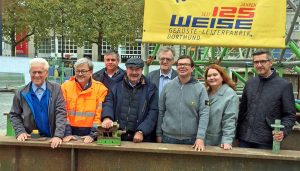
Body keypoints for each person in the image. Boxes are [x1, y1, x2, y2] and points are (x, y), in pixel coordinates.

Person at [237, 49, 296, 149]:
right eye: (256, 62)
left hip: (267, 140)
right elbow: (242, 111)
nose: (259, 65)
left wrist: (283, 131)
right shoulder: (250, 83)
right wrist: (236, 133)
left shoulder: (284, 85)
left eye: (263, 61)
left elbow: (289, 115)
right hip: (244, 138)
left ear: (271, 62)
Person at [9, 58, 66, 149]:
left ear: (46, 73)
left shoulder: (56, 89)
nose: (36, 75)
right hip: (30, 140)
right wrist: (20, 132)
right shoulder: (21, 92)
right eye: (33, 72)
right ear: (29, 73)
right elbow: (14, 114)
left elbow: (61, 113)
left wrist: (58, 135)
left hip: (52, 139)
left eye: (40, 72)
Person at [156, 55, 210, 151]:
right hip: (169, 138)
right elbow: (161, 111)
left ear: (192, 68)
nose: (182, 67)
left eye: (186, 64)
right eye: (180, 64)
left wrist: (200, 137)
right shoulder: (168, 87)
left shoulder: (200, 88)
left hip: (192, 140)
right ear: (176, 67)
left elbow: (204, 113)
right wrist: (158, 134)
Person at [101, 58, 158, 143]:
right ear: (126, 69)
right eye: (131, 69)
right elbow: (108, 102)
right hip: (116, 135)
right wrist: (107, 118)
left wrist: (141, 131)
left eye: (137, 69)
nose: (134, 72)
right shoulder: (115, 85)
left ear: (142, 70)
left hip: (140, 138)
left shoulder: (150, 88)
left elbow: (153, 112)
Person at [61, 58, 108, 143]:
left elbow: (99, 114)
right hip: (69, 135)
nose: (80, 74)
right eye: (77, 71)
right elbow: (63, 112)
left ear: (91, 72)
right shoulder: (65, 87)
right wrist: (67, 133)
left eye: (83, 71)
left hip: (91, 136)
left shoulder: (100, 89)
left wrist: (93, 135)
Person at [204, 64, 239, 150]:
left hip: (219, 142)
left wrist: (227, 140)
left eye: (215, 75)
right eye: (209, 76)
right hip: (204, 139)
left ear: (222, 77)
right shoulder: (206, 93)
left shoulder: (230, 95)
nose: (212, 78)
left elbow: (230, 119)